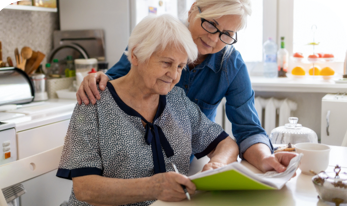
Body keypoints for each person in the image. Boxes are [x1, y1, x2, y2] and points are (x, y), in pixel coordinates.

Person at [76, 0, 297, 174]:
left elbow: (248, 130)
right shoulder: (156, 38)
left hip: (181, 164)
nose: (214, 38)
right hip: (129, 163)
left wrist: (266, 158)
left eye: (227, 34)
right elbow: (115, 83)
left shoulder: (231, 64)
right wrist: (96, 79)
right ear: (193, 11)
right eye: (211, 24)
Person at [57, 14, 239, 206]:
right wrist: (153, 187)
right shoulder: (93, 102)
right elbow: (85, 188)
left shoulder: (177, 100)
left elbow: (227, 144)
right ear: (135, 55)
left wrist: (217, 164)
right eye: (166, 63)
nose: (174, 75)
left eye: (180, 66)